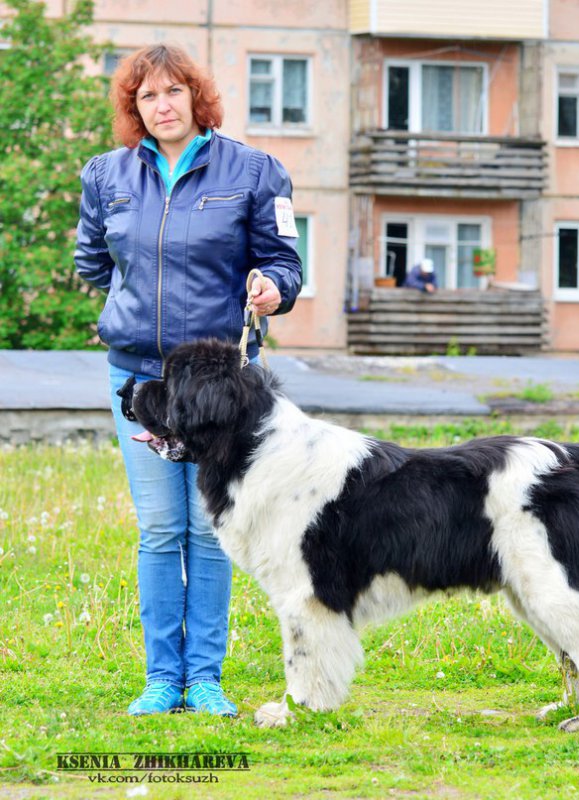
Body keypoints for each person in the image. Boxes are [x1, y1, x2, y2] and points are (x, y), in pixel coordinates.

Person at [74, 44, 302, 717]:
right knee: (160, 528)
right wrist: (131, 303)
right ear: (134, 108)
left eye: (174, 91)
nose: (162, 105)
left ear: (196, 98)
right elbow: (93, 260)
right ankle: (159, 681)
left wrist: (271, 288)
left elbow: (286, 263)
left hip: (221, 386)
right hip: (138, 381)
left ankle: (204, 679)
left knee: (208, 531)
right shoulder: (105, 175)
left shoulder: (255, 171)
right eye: (148, 96)